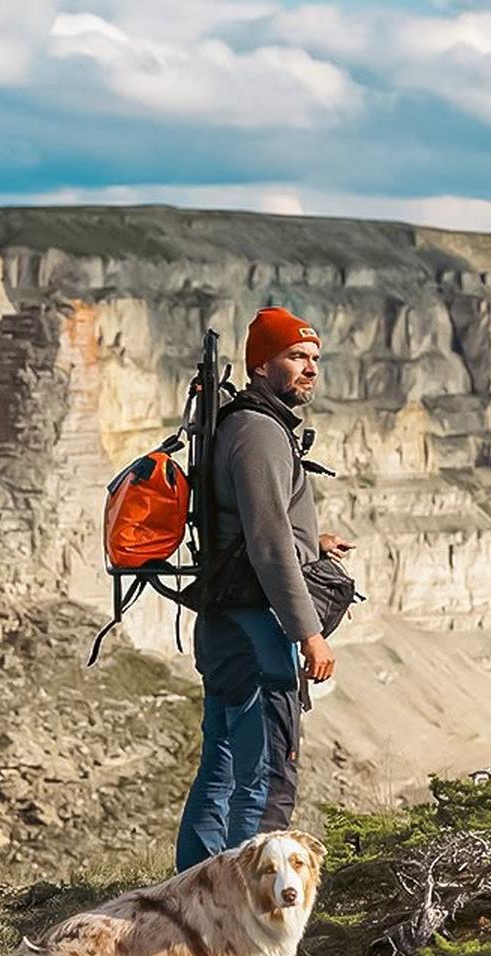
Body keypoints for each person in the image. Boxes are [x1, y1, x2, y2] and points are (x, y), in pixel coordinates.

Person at [174, 307, 353, 872]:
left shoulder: (242, 423)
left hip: (226, 614)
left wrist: (311, 541)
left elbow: (260, 524)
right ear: (261, 364)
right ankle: (246, 906)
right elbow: (270, 544)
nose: (309, 369)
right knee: (268, 773)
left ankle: (195, 888)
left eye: (315, 359)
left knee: (222, 766)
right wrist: (309, 634)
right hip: (256, 626)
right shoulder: (260, 431)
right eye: (296, 357)